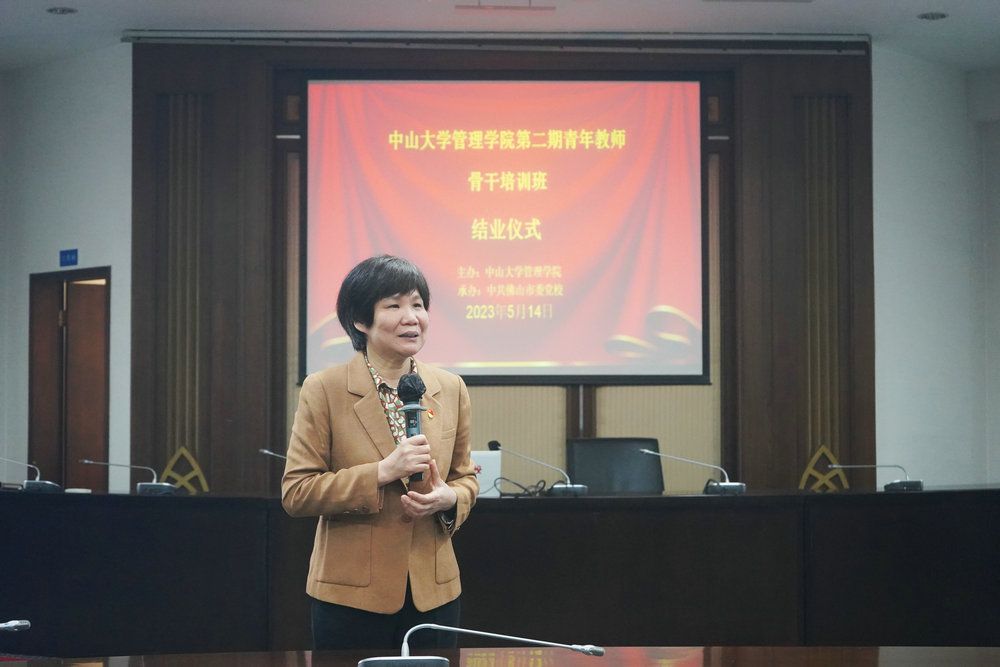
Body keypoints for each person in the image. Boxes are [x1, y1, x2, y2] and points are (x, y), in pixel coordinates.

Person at [281, 254, 478, 651]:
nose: (411, 317)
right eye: (393, 305)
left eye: (418, 304)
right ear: (360, 320)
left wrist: (450, 498)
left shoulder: (449, 388)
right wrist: (382, 471)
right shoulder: (325, 389)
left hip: (434, 594)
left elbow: (464, 478)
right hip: (351, 596)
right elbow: (297, 492)